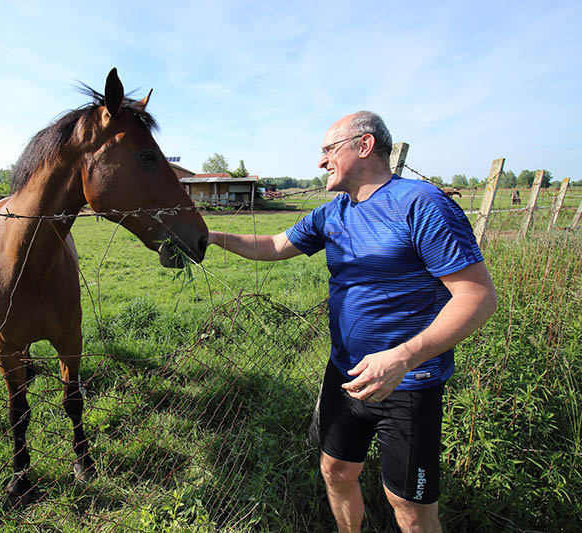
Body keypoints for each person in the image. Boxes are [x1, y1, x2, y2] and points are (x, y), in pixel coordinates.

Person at [207, 111, 497, 532]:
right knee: (336, 471)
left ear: (364, 146)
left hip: (407, 382)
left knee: (409, 508)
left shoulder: (421, 205)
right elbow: (273, 244)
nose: (321, 162)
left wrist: (402, 358)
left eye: (328, 150)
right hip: (345, 373)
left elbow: (478, 297)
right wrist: (212, 236)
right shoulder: (333, 213)